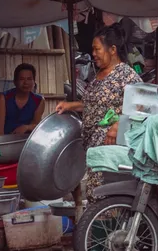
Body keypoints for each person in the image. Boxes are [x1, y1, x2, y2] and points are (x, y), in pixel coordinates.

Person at [54, 27, 143, 199]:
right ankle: (94, 224)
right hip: (92, 145)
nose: (93, 53)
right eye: (93, 49)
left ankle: (107, 224)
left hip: (110, 145)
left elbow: (141, 105)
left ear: (112, 50)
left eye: (97, 49)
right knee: (92, 192)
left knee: (106, 192)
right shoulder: (98, 76)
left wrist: (118, 125)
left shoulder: (126, 75)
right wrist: (70, 106)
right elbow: (93, 105)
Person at [0, 63, 45, 135]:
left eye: (29, 79)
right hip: (3, 140)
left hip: (24, 141)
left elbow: (35, 126)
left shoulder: (39, 100)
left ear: (34, 82)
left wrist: (26, 127)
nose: (26, 83)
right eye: (21, 79)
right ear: (15, 82)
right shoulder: (3, 98)